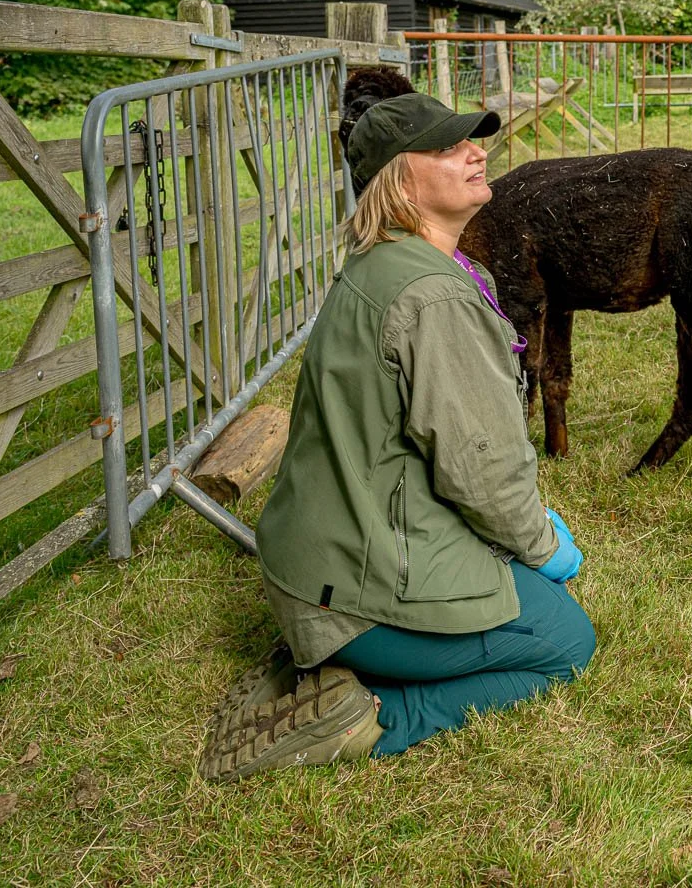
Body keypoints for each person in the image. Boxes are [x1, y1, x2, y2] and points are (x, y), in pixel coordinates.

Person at [198, 72, 595, 781]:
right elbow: (482, 469)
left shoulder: (379, 265)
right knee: (564, 636)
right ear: (400, 186)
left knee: (523, 591)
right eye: (446, 146)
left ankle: (319, 665)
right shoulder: (435, 295)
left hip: (309, 565)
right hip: (350, 600)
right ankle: (370, 717)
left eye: (471, 137)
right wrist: (543, 547)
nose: (474, 151)